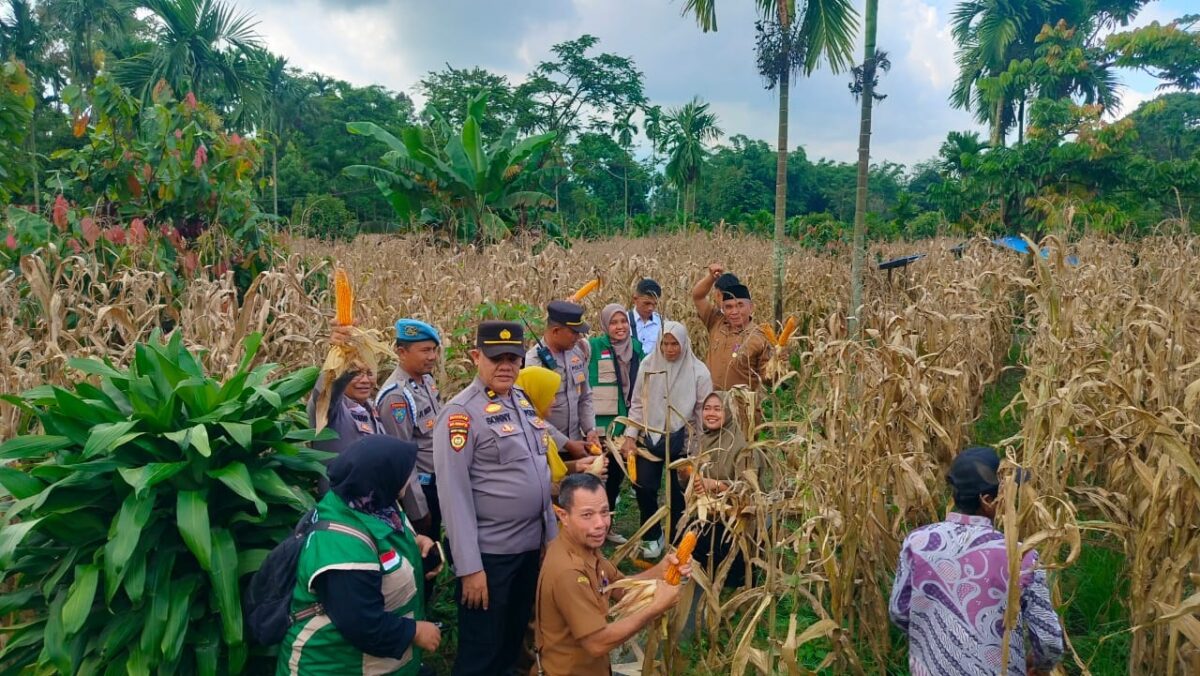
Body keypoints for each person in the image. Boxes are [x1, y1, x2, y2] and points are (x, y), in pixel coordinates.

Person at [434, 321, 557, 676]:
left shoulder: (520, 400)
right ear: (476, 357)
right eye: (496, 357)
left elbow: (539, 469)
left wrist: (550, 538)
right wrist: (470, 568)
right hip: (491, 557)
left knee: (513, 638)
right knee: (482, 651)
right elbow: (453, 496)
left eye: (513, 358)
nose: (506, 365)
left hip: (529, 548)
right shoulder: (460, 415)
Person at [888, 447, 1064, 675]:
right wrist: (1039, 666)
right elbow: (1049, 640)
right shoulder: (1021, 556)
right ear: (987, 500)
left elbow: (899, 611)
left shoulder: (918, 542)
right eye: (1006, 491)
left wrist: (939, 637)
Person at [276, 435, 442, 676]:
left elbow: (386, 542)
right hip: (335, 666)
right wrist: (414, 632)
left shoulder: (374, 503)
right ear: (384, 478)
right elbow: (362, 624)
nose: (409, 476)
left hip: (381, 665)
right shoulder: (341, 547)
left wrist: (415, 544)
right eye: (405, 471)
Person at [533, 473, 691, 676]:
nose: (600, 523)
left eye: (604, 512)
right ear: (563, 515)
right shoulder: (569, 573)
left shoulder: (584, 545)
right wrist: (655, 607)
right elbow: (597, 643)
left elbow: (620, 587)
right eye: (587, 515)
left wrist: (660, 570)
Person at [309, 324, 428, 523]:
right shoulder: (331, 411)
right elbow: (327, 389)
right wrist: (340, 354)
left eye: (369, 373)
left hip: (375, 513)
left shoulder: (371, 408)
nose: (364, 380)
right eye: (355, 373)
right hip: (344, 516)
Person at [620, 321, 712, 560]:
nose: (670, 349)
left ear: (684, 344)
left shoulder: (698, 371)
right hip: (650, 436)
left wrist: (697, 447)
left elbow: (702, 410)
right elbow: (638, 402)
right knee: (644, 485)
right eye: (665, 344)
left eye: (675, 344)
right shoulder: (648, 365)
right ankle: (652, 535)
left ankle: (676, 537)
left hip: (683, 441)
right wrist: (631, 436)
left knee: (678, 492)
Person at [376, 319, 443, 538]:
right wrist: (418, 511)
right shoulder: (397, 396)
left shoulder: (426, 381)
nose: (432, 356)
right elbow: (402, 460)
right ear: (402, 352)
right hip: (422, 491)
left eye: (434, 350)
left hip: (438, 483)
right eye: (425, 350)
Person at [588, 303, 645, 545]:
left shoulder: (637, 349)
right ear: (605, 325)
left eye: (623, 322)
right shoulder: (593, 346)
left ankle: (607, 525)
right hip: (600, 425)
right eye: (614, 322)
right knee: (596, 475)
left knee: (614, 479)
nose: (620, 327)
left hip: (626, 423)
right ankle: (589, 526)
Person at [691, 391, 758, 588]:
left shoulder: (741, 445)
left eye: (718, 409)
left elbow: (748, 490)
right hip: (705, 515)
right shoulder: (703, 440)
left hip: (732, 522)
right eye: (707, 408)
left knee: (730, 571)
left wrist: (716, 485)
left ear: (729, 412)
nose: (711, 413)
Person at [525, 300, 598, 460]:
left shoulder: (578, 352)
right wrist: (565, 444)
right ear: (556, 331)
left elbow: (585, 397)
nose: (578, 336)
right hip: (548, 449)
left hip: (577, 444)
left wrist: (591, 429)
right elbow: (531, 413)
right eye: (573, 332)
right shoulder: (534, 362)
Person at [515, 366, 608, 492]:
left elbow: (549, 470)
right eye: (551, 395)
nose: (555, 401)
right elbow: (540, 486)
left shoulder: (537, 427)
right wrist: (585, 480)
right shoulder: (524, 437)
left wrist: (577, 466)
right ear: (536, 394)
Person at [691, 264, 772, 391]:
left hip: (741, 406)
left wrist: (779, 363)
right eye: (729, 307)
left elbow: (769, 379)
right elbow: (698, 296)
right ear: (723, 308)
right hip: (711, 403)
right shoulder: (716, 322)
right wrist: (711, 278)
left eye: (740, 305)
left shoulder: (759, 338)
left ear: (751, 307)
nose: (734, 312)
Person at [627, 278, 663, 354]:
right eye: (647, 303)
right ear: (635, 299)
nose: (651, 308)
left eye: (655, 304)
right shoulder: (623, 321)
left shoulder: (662, 323)